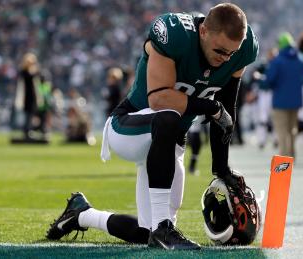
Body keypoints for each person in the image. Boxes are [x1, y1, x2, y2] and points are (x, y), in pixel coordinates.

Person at [47, 3, 258, 250]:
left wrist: (221, 169)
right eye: (220, 51)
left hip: (169, 140)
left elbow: (225, 111)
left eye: (231, 54)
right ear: (203, 31)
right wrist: (210, 108)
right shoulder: (175, 34)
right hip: (129, 126)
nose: (225, 59)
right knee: (169, 117)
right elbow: (158, 99)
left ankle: (81, 214)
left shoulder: (241, 51)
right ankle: (163, 230)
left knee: (143, 232)